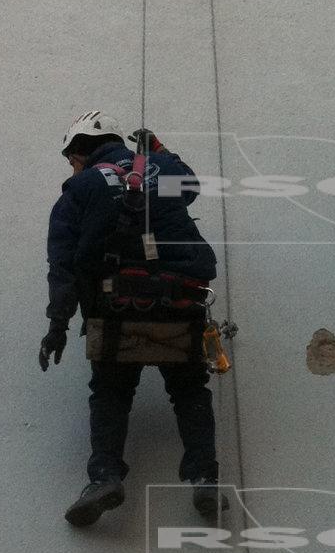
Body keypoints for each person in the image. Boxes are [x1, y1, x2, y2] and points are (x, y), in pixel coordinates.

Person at [40, 111, 228, 527]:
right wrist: (157, 148)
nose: (72, 167)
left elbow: (63, 263)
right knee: (190, 391)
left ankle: (105, 478)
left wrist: (58, 325)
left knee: (110, 393)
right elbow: (191, 186)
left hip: (117, 308)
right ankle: (205, 479)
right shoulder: (162, 170)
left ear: (80, 151)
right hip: (181, 303)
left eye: (71, 159)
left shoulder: (82, 187)